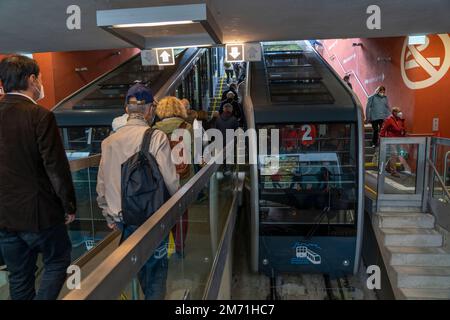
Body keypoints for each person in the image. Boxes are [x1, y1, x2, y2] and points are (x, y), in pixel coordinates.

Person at [0, 55, 76, 300]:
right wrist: (68, 205)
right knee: (58, 259)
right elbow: (55, 167)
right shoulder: (40, 116)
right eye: (40, 78)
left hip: (4, 217)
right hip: (40, 213)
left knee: (19, 275)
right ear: (31, 79)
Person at [97, 83, 179, 299]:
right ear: (150, 110)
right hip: (151, 218)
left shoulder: (108, 142)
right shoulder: (156, 137)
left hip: (123, 220)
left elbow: (102, 185)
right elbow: (171, 181)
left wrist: (107, 213)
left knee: (130, 270)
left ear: (126, 109)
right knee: (155, 275)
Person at [153, 96, 194, 257]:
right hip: (183, 177)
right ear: (179, 109)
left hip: (162, 179)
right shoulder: (187, 127)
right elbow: (193, 153)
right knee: (182, 213)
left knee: (164, 211)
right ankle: (179, 246)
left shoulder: (155, 129)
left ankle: (165, 244)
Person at [380, 107, 411, 177]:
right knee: (394, 154)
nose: (400, 113)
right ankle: (393, 171)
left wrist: (404, 133)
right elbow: (383, 129)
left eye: (400, 111)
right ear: (394, 112)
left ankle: (387, 167)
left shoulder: (400, 120)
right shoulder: (389, 120)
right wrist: (382, 139)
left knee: (395, 155)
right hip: (391, 140)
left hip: (399, 139)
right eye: (398, 112)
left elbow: (403, 128)